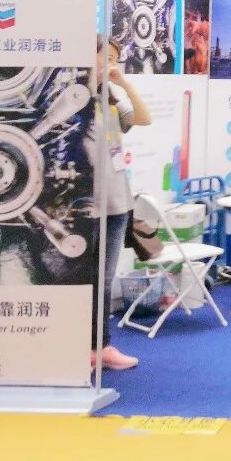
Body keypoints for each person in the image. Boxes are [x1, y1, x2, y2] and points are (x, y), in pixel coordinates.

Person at [89, 36, 152, 371]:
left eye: (116, 58)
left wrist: (123, 83)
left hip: (117, 202)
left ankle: (100, 347)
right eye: (106, 57)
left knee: (104, 279)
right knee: (82, 279)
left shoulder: (109, 98)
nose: (112, 63)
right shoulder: (74, 96)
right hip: (84, 206)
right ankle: (82, 346)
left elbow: (144, 118)